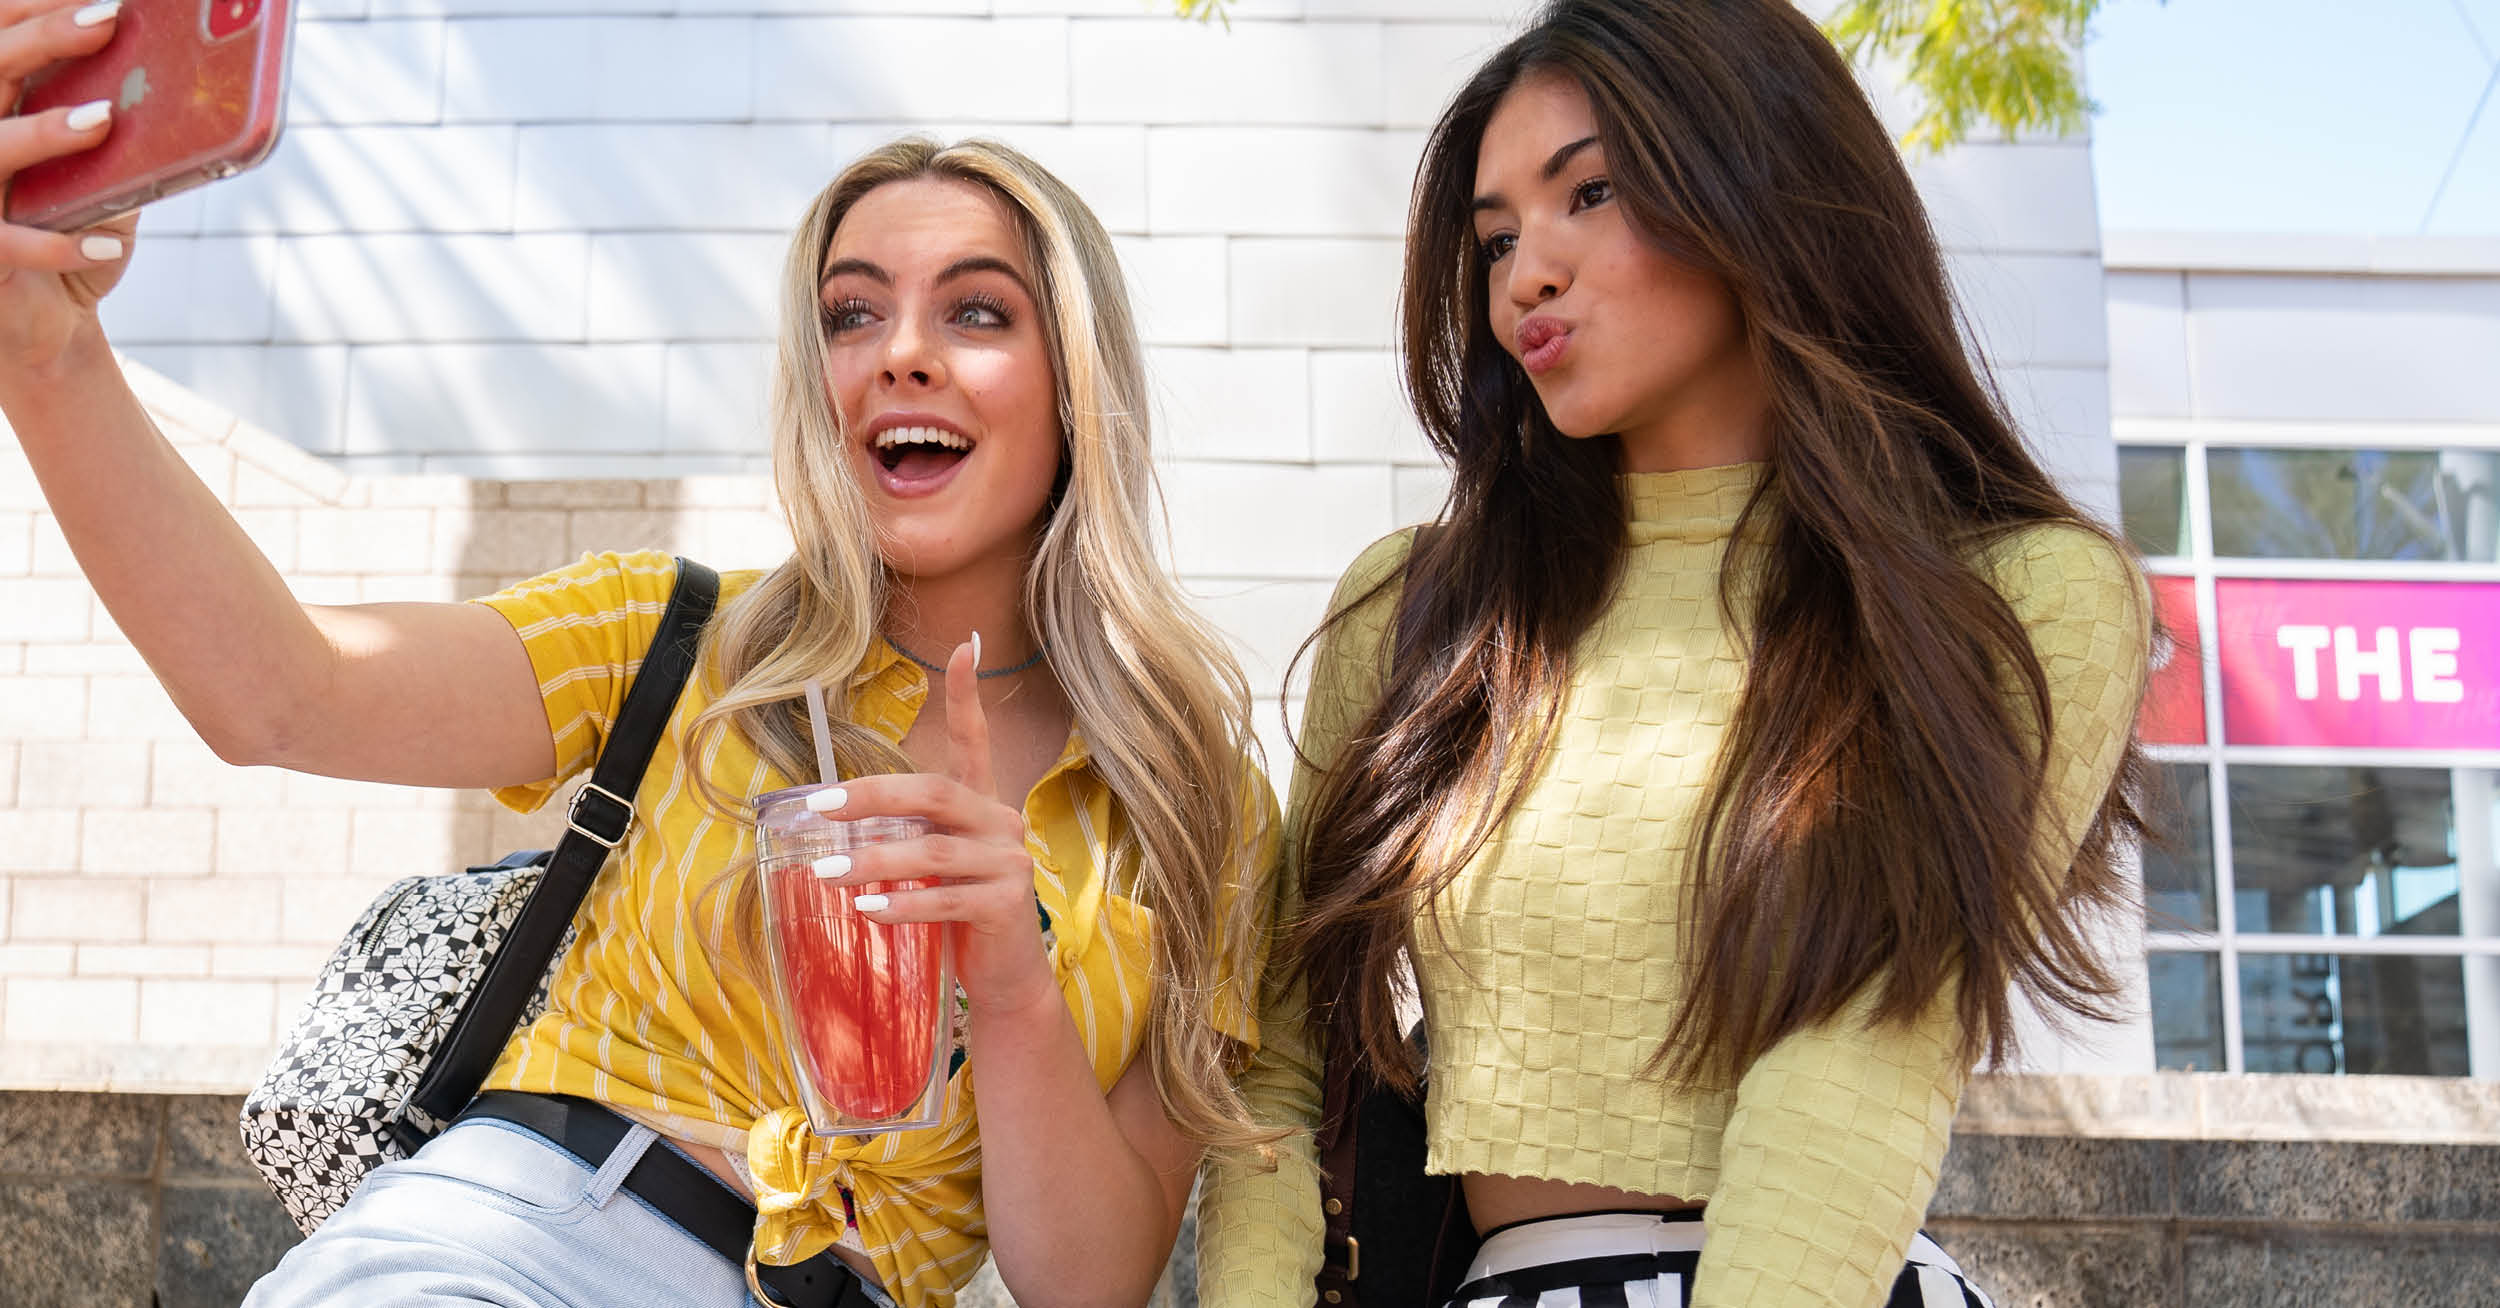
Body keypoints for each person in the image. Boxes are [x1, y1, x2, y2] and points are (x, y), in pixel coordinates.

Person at [0, 105, 1277, 1308]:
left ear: (1075, 379)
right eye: (849, 315)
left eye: (977, 311)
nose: (898, 354)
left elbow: (1087, 1283)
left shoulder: (1191, 803)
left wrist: (1011, 984)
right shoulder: (680, 639)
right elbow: (277, 693)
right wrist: (52, 356)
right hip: (520, 1237)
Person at [1195, 2, 2154, 1305]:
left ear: (1761, 182)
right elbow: (1286, 1050)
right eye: (1496, 238)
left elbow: (1870, 1051)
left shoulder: (2008, 592)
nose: (1527, 271)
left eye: (1590, 191)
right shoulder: (1419, 612)